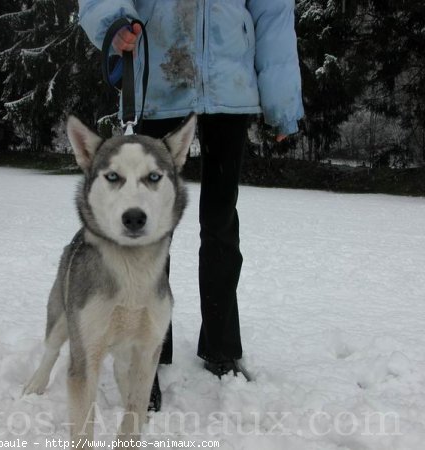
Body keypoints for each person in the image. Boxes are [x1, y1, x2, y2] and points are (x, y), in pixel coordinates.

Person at [78, 0, 304, 411]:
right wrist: (114, 23)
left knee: (220, 224)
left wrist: (282, 103)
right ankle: (144, 352)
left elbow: (272, 12)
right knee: (146, 233)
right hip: (159, 80)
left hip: (228, 87)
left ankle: (221, 347)